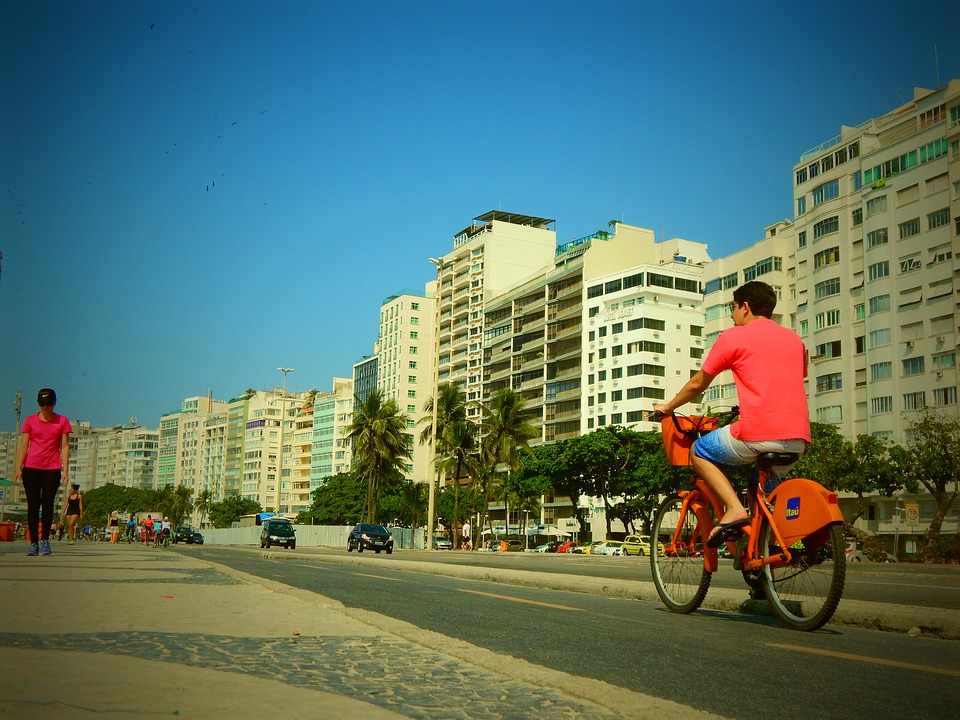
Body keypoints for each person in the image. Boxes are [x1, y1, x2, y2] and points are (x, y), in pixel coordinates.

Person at [653, 281, 810, 548]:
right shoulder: (794, 339)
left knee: (700, 451)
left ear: (745, 307)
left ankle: (734, 509)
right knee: (764, 498)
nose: (732, 314)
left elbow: (698, 383)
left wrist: (668, 407)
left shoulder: (734, 337)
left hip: (758, 433)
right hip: (798, 439)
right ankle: (763, 566)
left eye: (733, 308)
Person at [14, 388, 73, 556]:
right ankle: (33, 543)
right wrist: (19, 466)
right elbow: (24, 444)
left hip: (52, 468)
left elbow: (65, 446)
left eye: (48, 404)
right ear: (38, 404)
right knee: (33, 506)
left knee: (48, 505)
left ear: (53, 404)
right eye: (42, 404)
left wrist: (65, 470)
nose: (45, 408)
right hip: (31, 468)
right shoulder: (30, 421)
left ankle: (45, 541)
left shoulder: (62, 421)